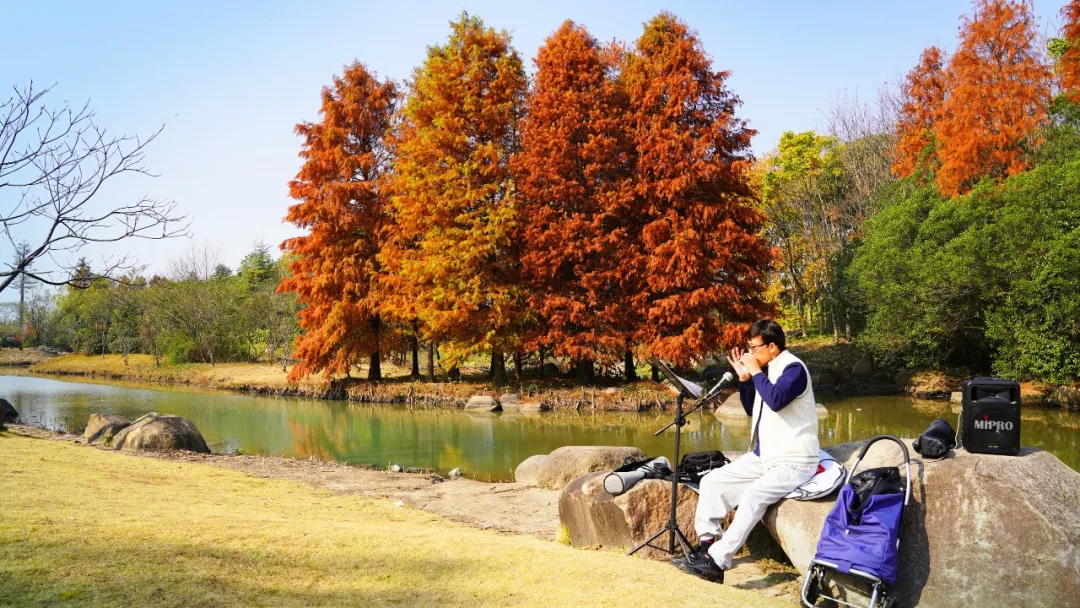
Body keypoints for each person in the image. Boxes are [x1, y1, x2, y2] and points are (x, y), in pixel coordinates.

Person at [672, 319, 819, 583]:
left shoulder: (794, 369)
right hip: (764, 457)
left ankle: (717, 562)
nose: (750, 354)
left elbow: (775, 400)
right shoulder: (766, 369)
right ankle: (706, 547)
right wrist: (746, 380)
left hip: (794, 460)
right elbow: (753, 409)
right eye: (748, 348)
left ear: (772, 346)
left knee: (753, 496)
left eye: (754, 348)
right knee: (712, 481)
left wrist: (755, 372)